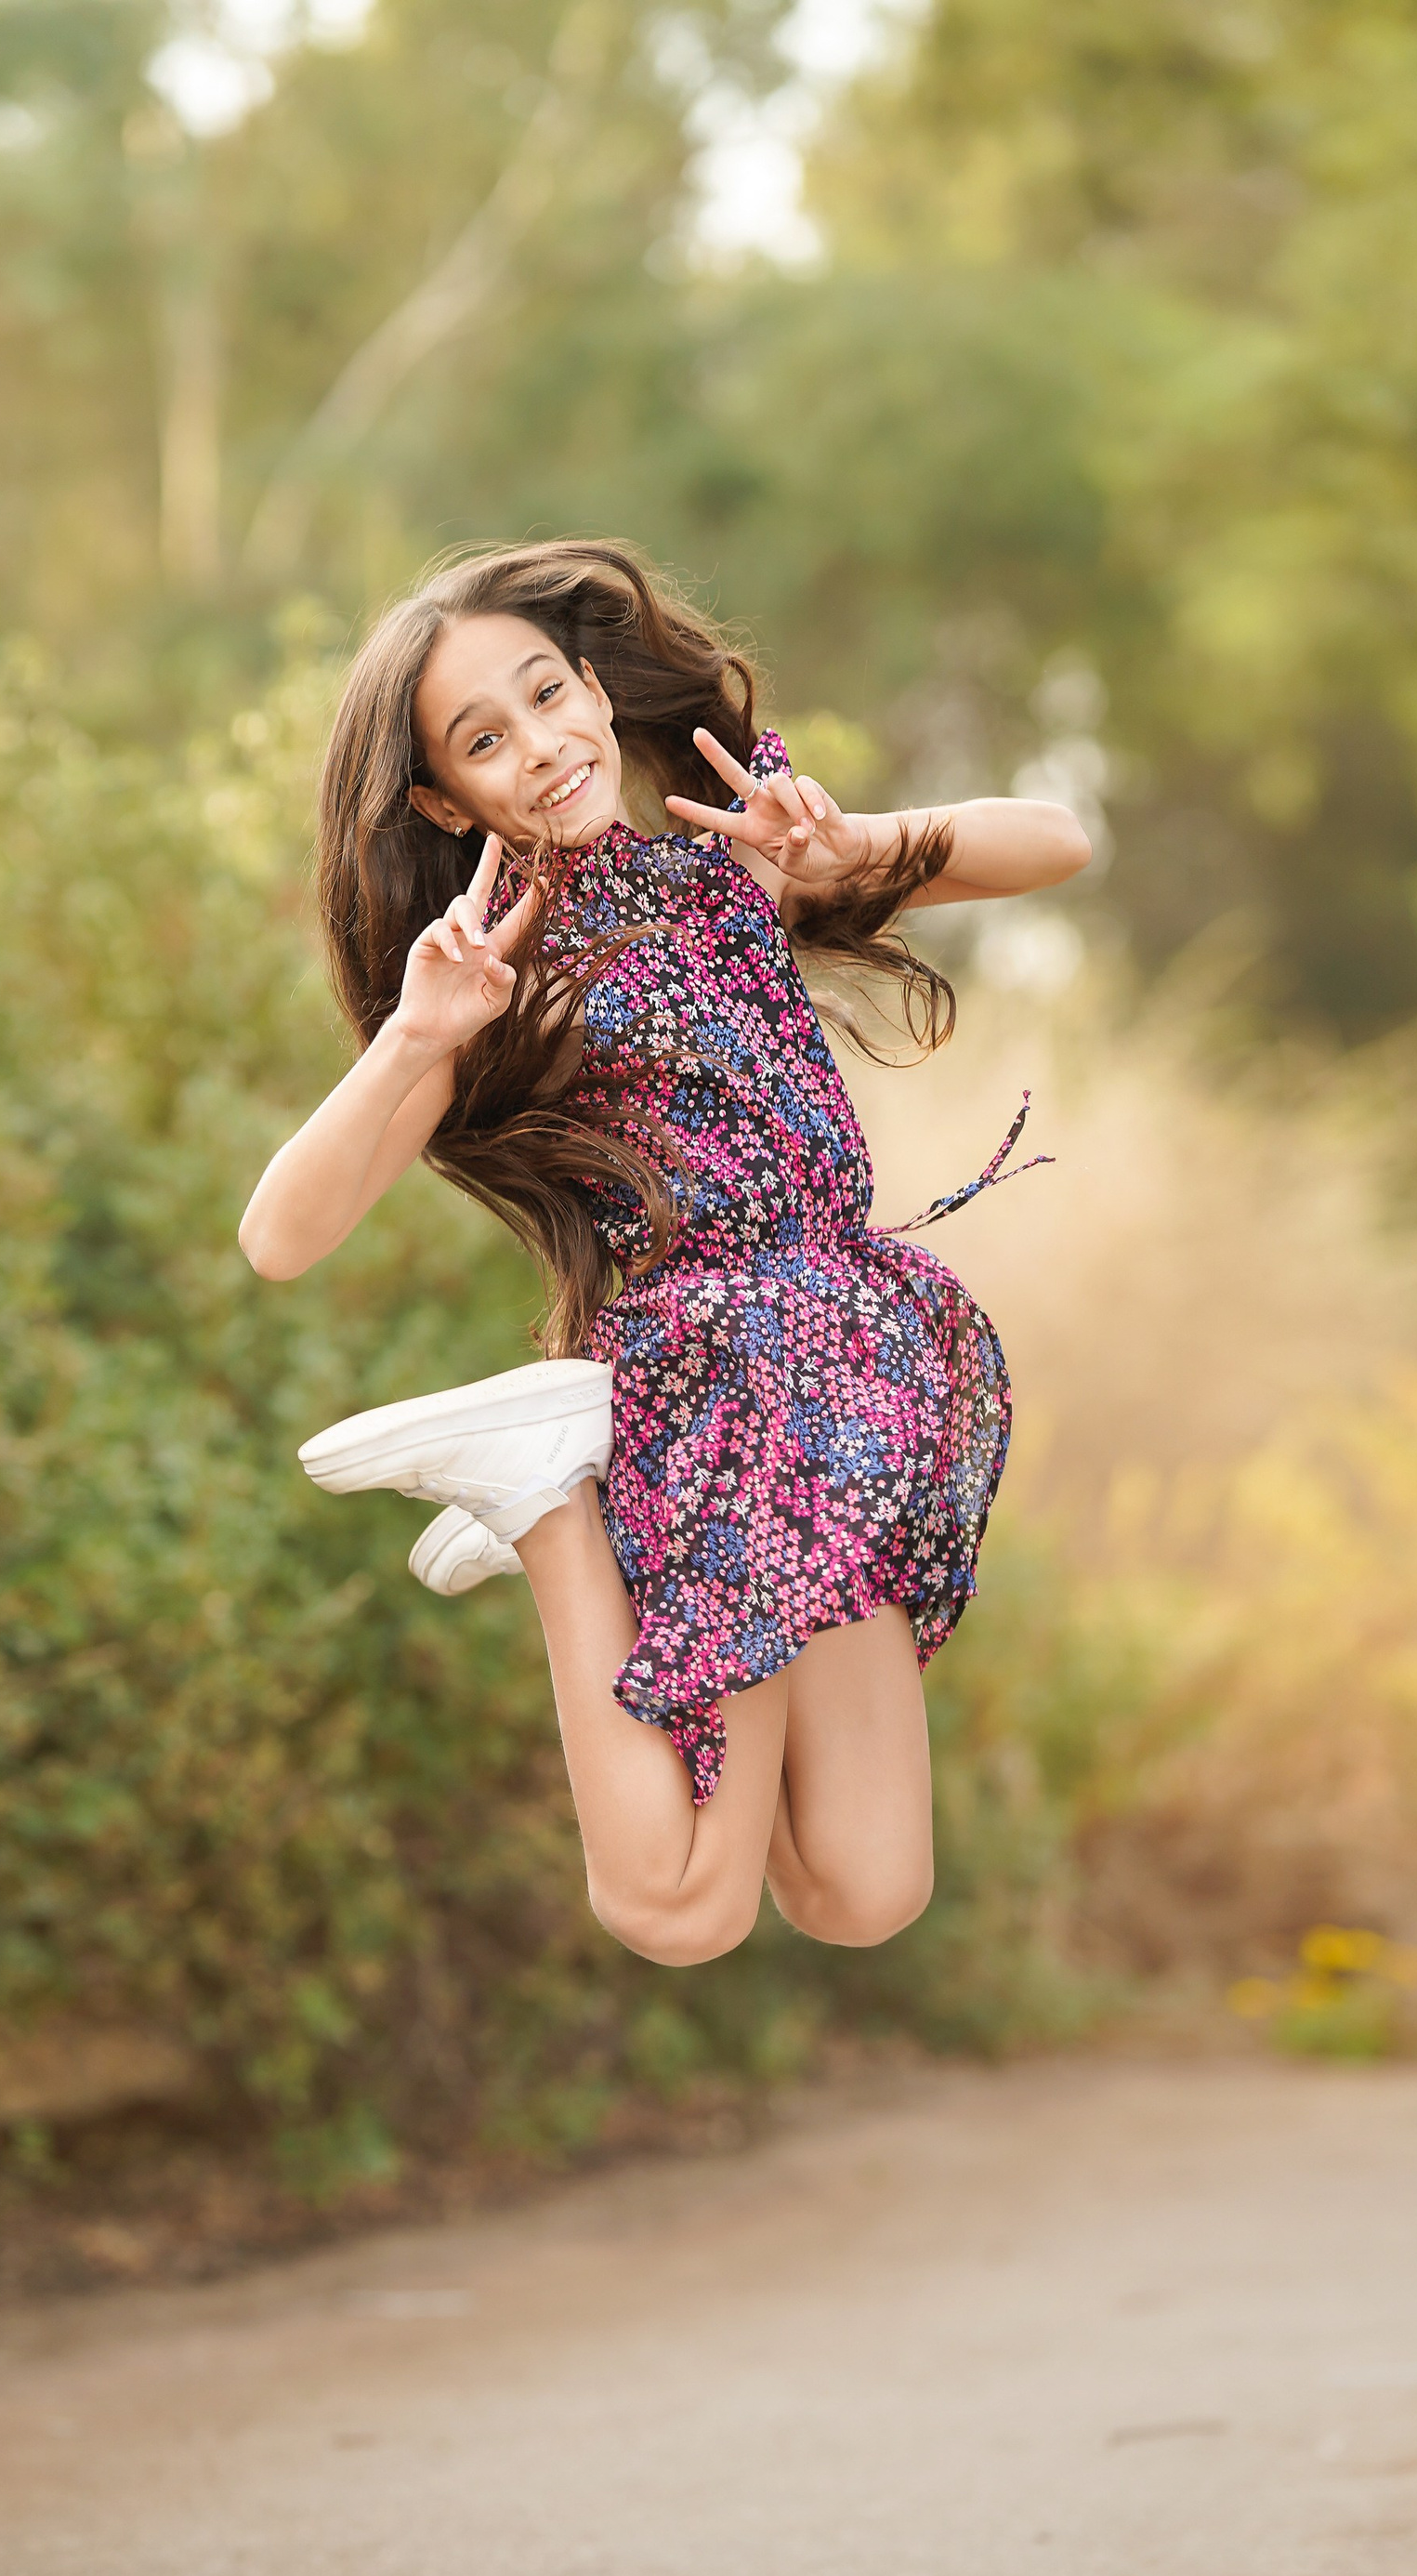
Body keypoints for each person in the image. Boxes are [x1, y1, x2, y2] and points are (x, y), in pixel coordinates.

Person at [238, 541, 1089, 1970]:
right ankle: (551, 1503)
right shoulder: (502, 984)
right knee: (679, 1908)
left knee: (864, 1892)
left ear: (596, 691)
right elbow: (280, 1237)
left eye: (548, 694)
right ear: (448, 799)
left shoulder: (739, 874)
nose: (543, 746)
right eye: (484, 741)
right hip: (713, 1397)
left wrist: (851, 849)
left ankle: (551, 1488)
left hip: (851, 1370)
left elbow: (1053, 841)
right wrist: (417, 1033)